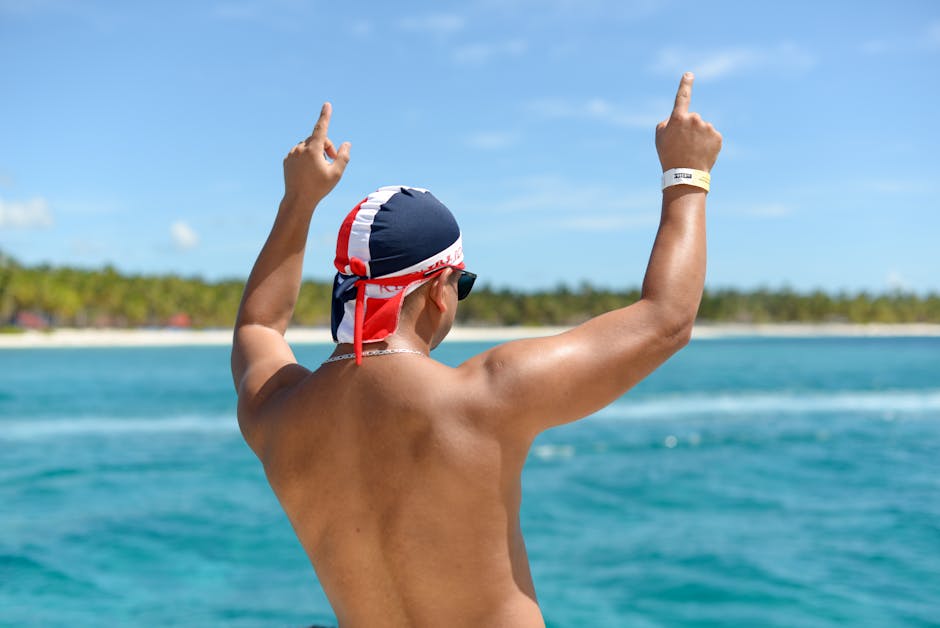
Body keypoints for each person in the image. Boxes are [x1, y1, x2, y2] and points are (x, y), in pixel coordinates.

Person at [231, 72, 721, 627]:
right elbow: (666, 320)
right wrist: (688, 170)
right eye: (461, 284)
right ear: (439, 289)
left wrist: (298, 200)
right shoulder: (483, 397)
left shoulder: (276, 414)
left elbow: (260, 325)